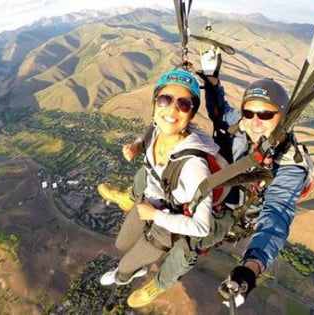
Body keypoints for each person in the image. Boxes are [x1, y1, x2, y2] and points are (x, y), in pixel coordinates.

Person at [99, 48, 314, 308]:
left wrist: (250, 269)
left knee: (188, 246)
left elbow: (276, 217)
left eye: (266, 115)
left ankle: (159, 284)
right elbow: (219, 110)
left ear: (281, 117)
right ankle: (130, 197)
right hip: (210, 176)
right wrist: (211, 77)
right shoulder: (242, 123)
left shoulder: (290, 165)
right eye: (250, 112)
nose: (256, 121)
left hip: (228, 210)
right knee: (165, 161)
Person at [99, 69, 233, 308]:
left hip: (167, 221)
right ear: (155, 103)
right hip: (149, 203)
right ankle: (129, 212)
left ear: (191, 113)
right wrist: (137, 146)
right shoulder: (157, 128)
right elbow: (152, 132)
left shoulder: (194, 166)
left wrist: (155, 216)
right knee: (121, 244)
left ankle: (127, 277)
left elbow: (201, 228)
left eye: (184, 104)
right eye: (165, 100)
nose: (172, 109)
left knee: (125, 266)